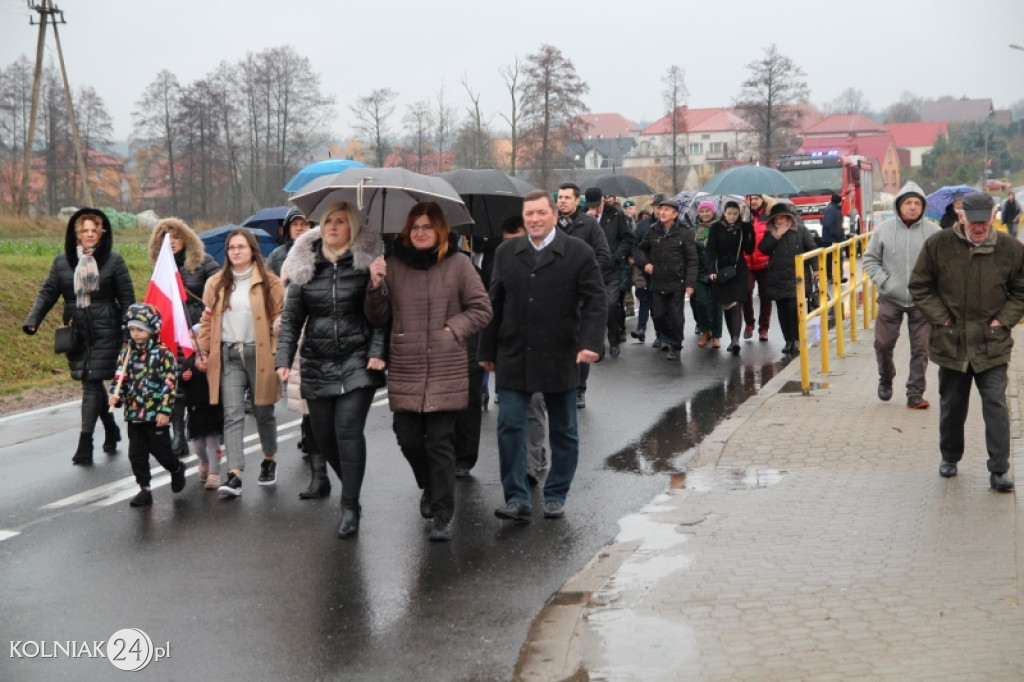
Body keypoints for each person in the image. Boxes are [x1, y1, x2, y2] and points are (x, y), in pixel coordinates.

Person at [366, 202, 492, 541]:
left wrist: (452, 329)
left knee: (439, 442)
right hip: (406, 365)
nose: (421, 233)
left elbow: (482, 309)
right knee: (407, 437)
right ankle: (429, 484)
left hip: (446, 366)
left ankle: (442, 513)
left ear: (440, 231)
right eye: (415, 227)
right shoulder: (393, 265)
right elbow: (378, 317)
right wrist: (375, 285)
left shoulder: (459, 264)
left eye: (428, 227)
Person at [480, 190, 606, 521]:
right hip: (513, 353)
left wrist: (590, 342)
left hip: (560, 353)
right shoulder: (507, 252)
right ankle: (517, 497)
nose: (534, 219)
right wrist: (486, 350)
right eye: (528, 214)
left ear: (553, 214)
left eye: (540, 213)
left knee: (563, 429)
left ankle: (555, 493)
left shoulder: (578, 252)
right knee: (509, 426)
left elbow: (595, 299)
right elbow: (493, 303)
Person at [276, 205, 387, 537]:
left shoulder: (368, 264)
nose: (333, 226)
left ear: (352, 227)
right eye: (328, 221)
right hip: (317, 361)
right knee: (324, 437)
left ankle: (349, 506)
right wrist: (283, 358)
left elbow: (382, 316)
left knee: (348, 431)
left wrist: (378, 351)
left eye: (341, 221)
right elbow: (292, 318)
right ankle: (350, 488)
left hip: (358, 360)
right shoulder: (305, 268)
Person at [909, 192, 1024, 492]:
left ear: (994, 217)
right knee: (953, 405)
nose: (979, 228)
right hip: (951, 342)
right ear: (961, 217)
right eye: (973, 222)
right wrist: (941, 319)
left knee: (996, 406)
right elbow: (920, 286)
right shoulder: (938, 245)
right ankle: (949, 457)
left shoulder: (1011, 249)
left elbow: (1021, 291)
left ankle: (999, 469)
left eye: (985, 222)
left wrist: (1003, 321)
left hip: (992, 342)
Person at [23, 208, 135, 465]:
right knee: (91, 380)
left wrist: (129, 330)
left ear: (101, 232)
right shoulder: (62, 261)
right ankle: (111, 428)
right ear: (76, 234)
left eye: (94, 230)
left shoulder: (114, 260)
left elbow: (127, 297)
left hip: (106, 328)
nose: (89, 234)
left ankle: (85, 443)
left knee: (91, 382)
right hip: (77, 329)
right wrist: (33, 319)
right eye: (85, 230)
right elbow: (48, 291)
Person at [196, 229, 284, 498]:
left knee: (263, 412)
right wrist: (202, 351)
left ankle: (269, 458)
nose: (235, 251)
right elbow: (208, 319)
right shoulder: (216, 283)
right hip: (228, 355)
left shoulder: (270, 283)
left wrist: (276, 343)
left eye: (241, 247)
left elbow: (281, 318)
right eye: (231, 247)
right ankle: (235, 474)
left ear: (252, 250)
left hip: (259, 355)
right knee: (232, 414)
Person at [862, 181, 940, 408]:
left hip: (922, 300)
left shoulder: (933, 232)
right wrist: (885, 281)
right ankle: (886, 377)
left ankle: (915, 393)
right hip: (890, 297)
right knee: (883, 343)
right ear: (899, 205)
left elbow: (944, 264)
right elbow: (869, 260)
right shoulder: (883, 230)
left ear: (923, 206)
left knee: (921, 348)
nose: (913, 207)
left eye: (917, 203)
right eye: (908, 202)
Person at [148, 217, 220, 457]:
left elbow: (220, 288)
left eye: (176, 236)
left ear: (186, 238)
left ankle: (206, 433)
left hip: (198, 332)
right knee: (175, 380)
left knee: (199, 382)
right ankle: (178, 434)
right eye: (166, 238)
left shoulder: (204, 262)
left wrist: (204, 321)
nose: (172, 242)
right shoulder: (161, 267)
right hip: (172, 332)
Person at [107, 304, 186, 507]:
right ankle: (144, 489)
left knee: (162, 452)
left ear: (152, 329)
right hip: (135, 413)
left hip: (155, 414)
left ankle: (176, 468)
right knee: (136, 454)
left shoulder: (163, 354)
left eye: (140, 329)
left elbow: (169, 384)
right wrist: (115, 396)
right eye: (132, 330)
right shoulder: (126, 355)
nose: (136, 334)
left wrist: (165, 410)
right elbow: (120, 380)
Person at [555, 182, 611, 408]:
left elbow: (604, 255)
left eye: (567, 197)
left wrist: (583, 274)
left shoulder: (588, 225)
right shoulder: (551, 224)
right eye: (559, 197)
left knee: (580, 342)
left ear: (577, 200)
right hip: (554, 292)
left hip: (580, 294)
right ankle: (558, 385)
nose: (562, 201)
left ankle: (579, 388)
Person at [635, 197, 698, 361]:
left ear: (675, 214)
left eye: (666, 210)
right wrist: (645, 263)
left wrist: (690, 283)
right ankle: (672, 337)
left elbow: (692, 260)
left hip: (677, 281)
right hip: (657, 281)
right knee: (658, 316)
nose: (661, 212)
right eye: (660, 209)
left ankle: (675, 346)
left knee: (676, 317)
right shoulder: (653, 230)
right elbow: (640, 250)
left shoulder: (684, 232)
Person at [758, 202, 818, 355]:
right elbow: (763, 249)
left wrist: (816, 269)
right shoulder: (771, 232)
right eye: (776, 219)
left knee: (794, 309)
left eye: (782, 218)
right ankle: (788, 340)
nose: (780, 221)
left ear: (789, 217)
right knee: (782, 311)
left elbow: (812, 249)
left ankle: (797, 339)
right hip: (777, 277)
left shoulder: (801, 230)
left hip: (796, 277)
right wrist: (776, 235)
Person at [585, 187, 634, 358]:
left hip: (611, 268)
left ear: (603, 201)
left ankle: (614, 340)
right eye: (591, 205)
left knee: (611, 304)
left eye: (596, 205)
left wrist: (617, 256)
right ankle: (597, 344)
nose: (594, 209)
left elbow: (627, 238)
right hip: (590, 269)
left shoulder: (615, 215)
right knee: (592, 308)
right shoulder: (583, 217)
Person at [706, 200, 755, 354]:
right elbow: (711, 251)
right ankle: (732, 337)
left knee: (736, 303)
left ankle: (735, 340)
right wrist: (711, 270)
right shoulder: (716, 227)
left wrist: (749, 229)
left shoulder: (743, 227)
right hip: (721, 269)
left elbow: (750, 249)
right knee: (727, 304)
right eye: (729, 214)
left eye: (735, 214)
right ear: (724, 213)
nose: (732, 217)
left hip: (738, 269)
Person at [179, 326, 223, 490]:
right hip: (194, 409)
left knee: (213, 442)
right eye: (190, 337)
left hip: (211, 408)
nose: (193, 341)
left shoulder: (213, 358)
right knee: (197, 444)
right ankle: (203, 462)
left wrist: (208, 366)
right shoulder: (189, 360)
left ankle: (214, 473)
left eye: (196, 337)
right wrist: (183, 377)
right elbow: (182, 383)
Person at [691, 200, 724, 349]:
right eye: (702, 211)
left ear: (713, 212)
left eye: (707, 211)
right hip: (699, 271)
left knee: (717, 304)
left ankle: (716, 335)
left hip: (716, 271)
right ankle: (705, 331)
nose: (704, 214)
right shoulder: (694, 229)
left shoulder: (720, 227)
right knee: (701, 303)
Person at [743, 194, 773, 342]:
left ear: (762, 200)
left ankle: (764, 328)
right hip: (747, 262)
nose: (753, 201)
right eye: (750, 199)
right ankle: (749, 323)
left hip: (765, 263)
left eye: (756, 198)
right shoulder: (743, 216)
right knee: (746, 292)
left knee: (766, 296)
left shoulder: (769, 216)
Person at [266, 208, 314, 277]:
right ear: (288, 228)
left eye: (304, 223)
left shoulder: (320, 253)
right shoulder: (275, 256)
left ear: (312, 227)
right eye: (294, 224)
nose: (299, 228)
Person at [821, 192, 845, 283]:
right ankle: (832, 277)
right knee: (831, 259)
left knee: (835, 258)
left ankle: (838, 277)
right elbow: (828, 224)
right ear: (839, 202)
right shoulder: (832, 210)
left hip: (834, 239)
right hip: (832, 239)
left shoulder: (834, 209)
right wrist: (836, 234)